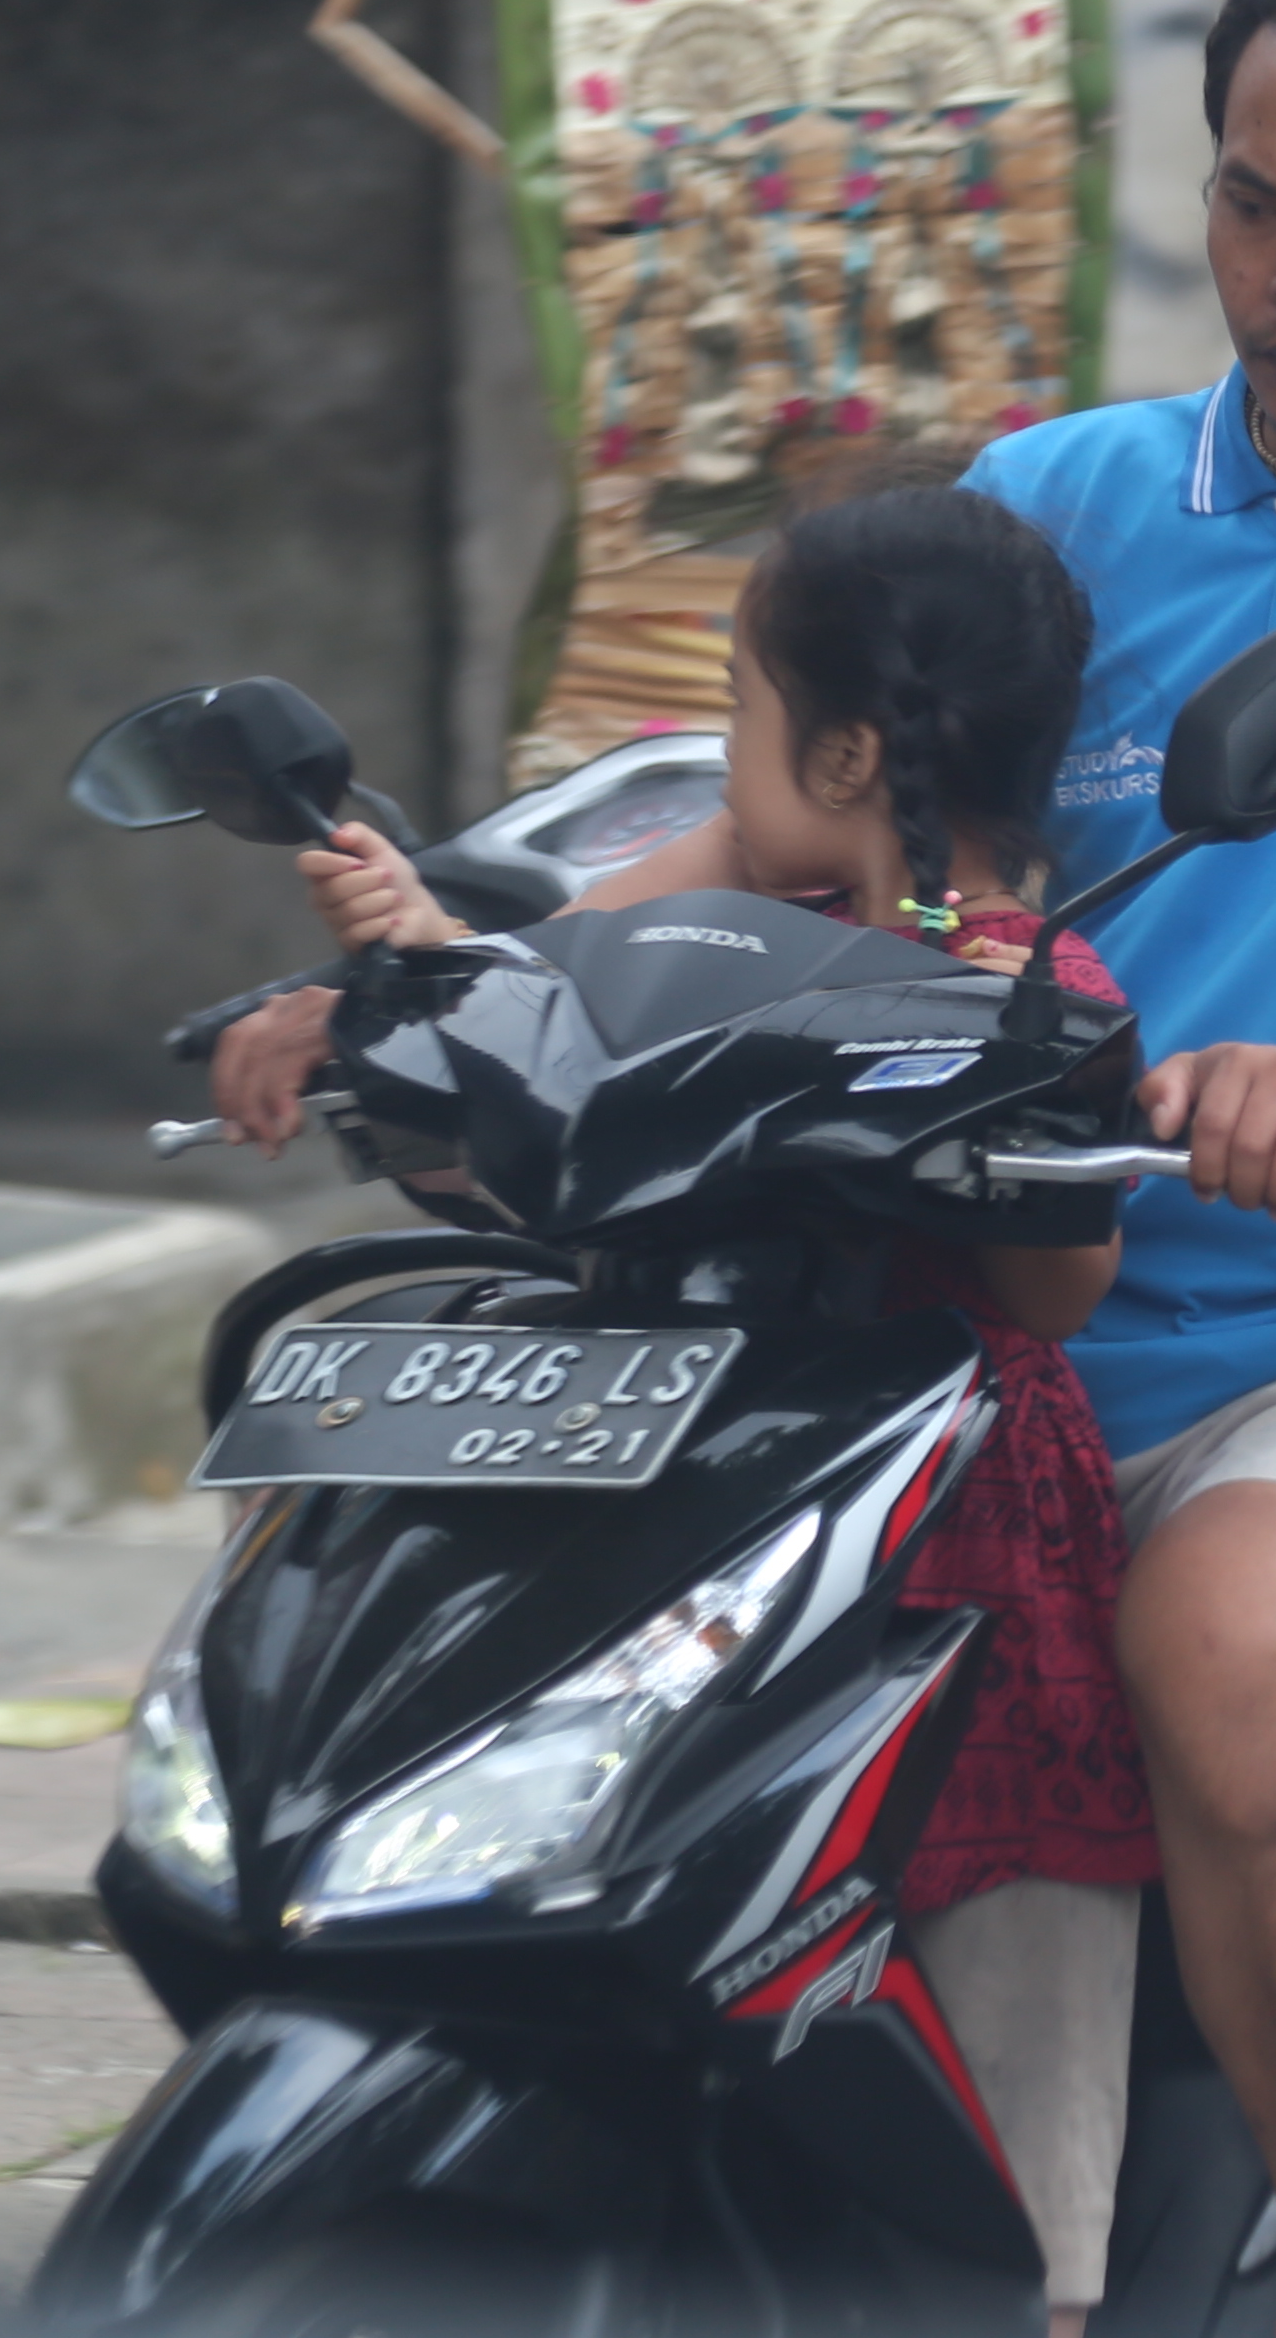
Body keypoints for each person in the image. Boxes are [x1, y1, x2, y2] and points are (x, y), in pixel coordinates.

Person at [217, 0, 1276, 2337]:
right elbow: (778, 819)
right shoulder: (1065, 492)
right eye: (1254, 201)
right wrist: (429, 990)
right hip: (956, 1336)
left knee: (1226, 1641)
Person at [290, 477, 1155, 2337]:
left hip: (955, 1557)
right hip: (699, 1528)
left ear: (842, 745)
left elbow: (1062, 1286)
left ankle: (1047, 2302)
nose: (718, 758)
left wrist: (989, 1107)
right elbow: (540, 1040)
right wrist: (406, 950)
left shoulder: (1028, 982)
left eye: (740, 710)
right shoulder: (715, 932)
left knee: (1009, 1995)